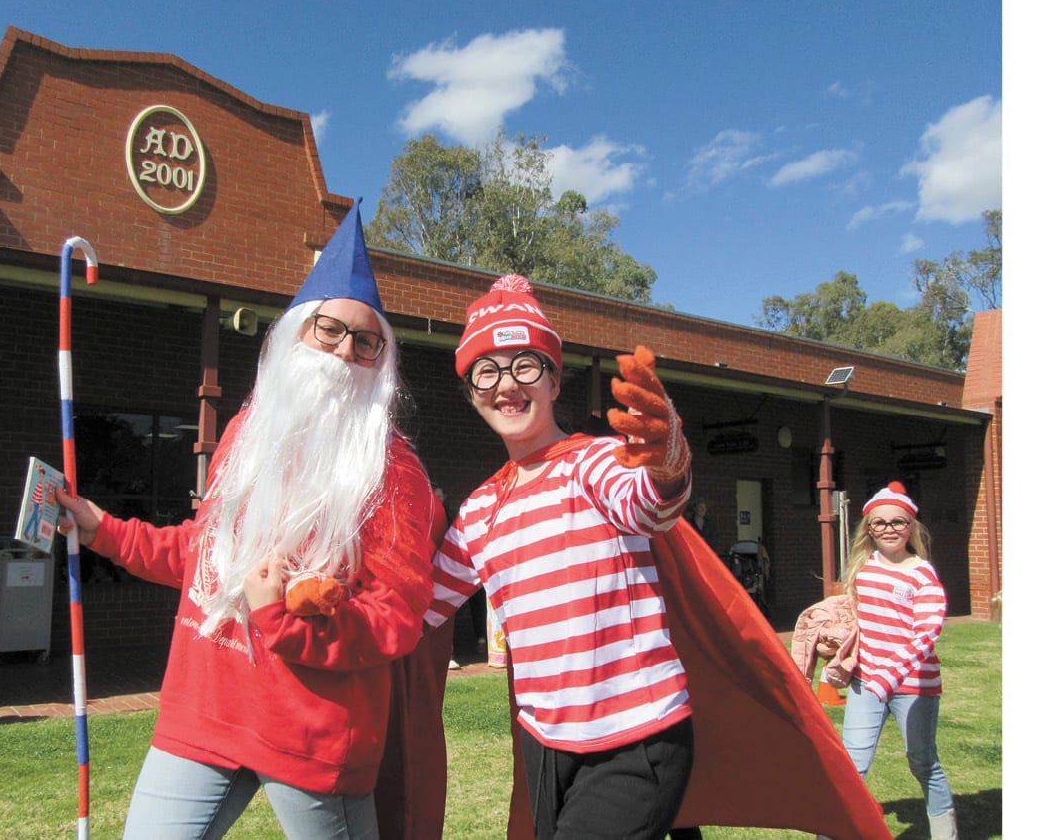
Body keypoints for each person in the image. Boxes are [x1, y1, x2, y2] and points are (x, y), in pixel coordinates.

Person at [53, 203, 442, 839]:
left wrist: (286, 621)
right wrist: (106, 531)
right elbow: (206, 555)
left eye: (365, 341)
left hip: (311, 732)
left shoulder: (394, 471)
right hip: (205, 705)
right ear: (293, 337)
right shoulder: (245, 432)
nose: (345, 352)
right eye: (328, 330)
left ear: (382, 360)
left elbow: (398, 614)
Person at [424, 274, 697, 840]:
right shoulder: (477, 510)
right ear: (472, 393)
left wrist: (666, 459)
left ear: (552, 381)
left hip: (634, 733)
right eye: (486, 371)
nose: (507, 385)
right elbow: (418, 606)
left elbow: (649, 507)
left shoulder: (595, 462)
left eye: (525, 365)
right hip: (545, 743)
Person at [838, 481, 957, 840]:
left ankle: (946, 833)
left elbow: (926, 634)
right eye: (880, 522)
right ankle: (833, 832)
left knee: (922, 761)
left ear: (911, 527)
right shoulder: (862, 568)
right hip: (866, 683)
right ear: (869, 529)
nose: (888, 529)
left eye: (898, 522)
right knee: (851, 765)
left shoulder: (922, 574)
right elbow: (854, 619)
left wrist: (888, 675)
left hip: (914, 686)